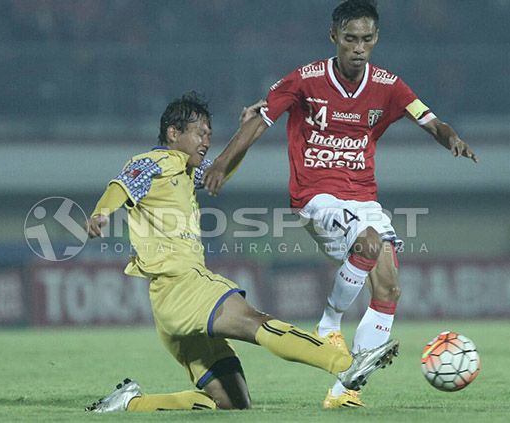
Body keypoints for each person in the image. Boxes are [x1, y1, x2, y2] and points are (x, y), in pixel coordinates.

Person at [203, 0, 477, 409]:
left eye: (367, 39)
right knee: (368, 242)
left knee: (389, 286)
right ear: (334, 37)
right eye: (350, 38)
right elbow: (259, 119)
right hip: (316, 195)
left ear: (376, 39)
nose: (359, 47)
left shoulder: (389, 85)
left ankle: (345, 390)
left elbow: (431, 120)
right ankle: (329, 324)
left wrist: (450, 137)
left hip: (364, 197)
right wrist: (223, 163)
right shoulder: (306, 79)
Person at [83, 92, 398, 412]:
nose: (206, 140)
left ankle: (129, 405)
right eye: (199, 132)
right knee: (255, 321)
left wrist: (244, 133)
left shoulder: (185, 172)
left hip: (171, 303)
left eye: (209, 134)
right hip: (183, 285)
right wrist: (101, 213)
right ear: (173, 133)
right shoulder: (156, 162)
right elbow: (122, 185)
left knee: (232, 402)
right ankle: (345, 364)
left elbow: (221, 169)